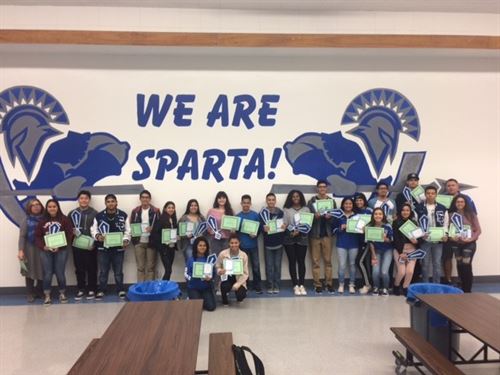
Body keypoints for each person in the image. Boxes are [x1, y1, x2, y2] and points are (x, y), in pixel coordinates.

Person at [91, 194, 131, 300]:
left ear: (116, 202)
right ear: (105, 203)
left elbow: (128, 230)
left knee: (118, 271)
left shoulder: (123, 215)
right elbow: (93, 230)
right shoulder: (98, 216)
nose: (111, 203)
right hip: (103, 248)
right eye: (108, 201)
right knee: (103, 271)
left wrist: (126, 240)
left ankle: (120, 289)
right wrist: (97, 236)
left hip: (118, 248)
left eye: (112, 201)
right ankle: (101, 290)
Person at [35, 199, 73, 306]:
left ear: (58, 207)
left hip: (61, 250)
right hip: (46, 250)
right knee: (47, 274)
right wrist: (44, 246)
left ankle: (62, 293)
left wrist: (61, 246)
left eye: (54, 206)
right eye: (50, 207)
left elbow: (69, 234)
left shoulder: (64, 219)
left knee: (60, 273)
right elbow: (37, 236)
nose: (52, 208)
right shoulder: (42, 221)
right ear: (47, 208)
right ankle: (47, 295)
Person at [443, 178, 478, 284]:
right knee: (448, 258)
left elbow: (473, 216)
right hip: (450, 235)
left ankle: (464, 282)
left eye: (453, 185)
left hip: (466, 237)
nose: (451, 187)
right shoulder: (442, 198)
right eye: (448, 185)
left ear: (458, 187)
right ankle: (449, 280)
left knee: (465, 262)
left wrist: (471, 235)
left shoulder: (466, 198)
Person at [415, 185, 449, 283]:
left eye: (432, 193)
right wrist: (421, 235)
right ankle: (425, 283)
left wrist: (445, 234)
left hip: (438, 240)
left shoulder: (442, 208)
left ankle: (436, 284)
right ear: (425, 195)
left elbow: (445, 224)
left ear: (436, 195)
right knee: (425, 263)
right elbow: (416, 223)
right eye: (428, 193)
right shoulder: (419, 208)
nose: (430, 195)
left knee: (437, 263)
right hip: (425, 239)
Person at [68, 190, 98, 300]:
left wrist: (95, 243)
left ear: (89, 200)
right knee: (79, 268)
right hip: (77, 246)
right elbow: (67, 229)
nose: (83, 200)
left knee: (92, 268)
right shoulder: (72, 213)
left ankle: (92, 289)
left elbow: (98, 230)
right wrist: (72, 232)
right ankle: (81, 289)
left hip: (91, 246)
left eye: (86, 198)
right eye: (81, 198)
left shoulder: (95, 213)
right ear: (78, 200)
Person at [448, 195, 481, 292]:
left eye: (462, 202)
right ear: (455, 203)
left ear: (465, 203)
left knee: (466, 265)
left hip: (469, 244)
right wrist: (451, 237)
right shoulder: (450, 215)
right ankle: (462, 287)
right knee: (460, 265)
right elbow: (449, 230)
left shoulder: (471, 214)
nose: (460, 204)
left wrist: (470, 239)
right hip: (456, 244)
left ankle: (467, 290)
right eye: (458, 202)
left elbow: (478, 230)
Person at [307, 180, 335, 294]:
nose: (322, 189)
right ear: (317, 188)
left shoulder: (331, 201)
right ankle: (317, 284)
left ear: (327, 188)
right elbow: (307, 218)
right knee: (315, 261)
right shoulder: (312, 201)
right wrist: (315, 216)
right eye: (320, 187)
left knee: (328, 261)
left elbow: (335, 218)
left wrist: (330, 217)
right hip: (315, 235)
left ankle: (329, 283)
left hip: (327, 235)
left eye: (324, 187)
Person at [283, 189, 311, 296]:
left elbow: (308, 225)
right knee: (292, 262)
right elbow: (285, 224)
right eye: (293, 197)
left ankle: (302, 285)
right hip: (289, 239)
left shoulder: (306, 209)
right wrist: (291, 232)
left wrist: (299, 231)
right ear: (290, 198)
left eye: (297, 196)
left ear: (301, 198)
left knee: (301, 261)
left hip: (302, 238)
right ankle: (295, 285)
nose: (295, 198)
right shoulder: (286, 209)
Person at [333, 197, 362, 294]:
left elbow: (362, 231)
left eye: (350, 204)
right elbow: (334, 230)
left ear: (353, 205)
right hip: (341, 244)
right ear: (343, 205)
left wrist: (361, 228)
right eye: (346, 203)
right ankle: (341, 284)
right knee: (341, 265)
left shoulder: (357, 216)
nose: (348, 205)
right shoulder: (338, 215)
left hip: (354, 244)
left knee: (352, 265)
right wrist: (341, 228)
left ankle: (351, 284)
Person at [17, 198, 44, 302]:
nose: (36, 206)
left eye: (38, 204)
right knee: (29, 270)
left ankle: (39, 291)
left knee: (42, 270)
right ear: (29, 208)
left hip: (42, 248)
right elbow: (22, 237)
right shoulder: (26, 220)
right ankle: (30, 292)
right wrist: (20, 250)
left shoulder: (45, 220)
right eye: (33, 205)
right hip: (29, 249)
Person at [130, 190, 160, 282]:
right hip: (139, 242)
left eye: (147, 197)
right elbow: (131, 225)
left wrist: (153, 228)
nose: (145, 199)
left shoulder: (156, 211)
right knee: (140, 267)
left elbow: (160, 226)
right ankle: (141, 287)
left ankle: (149, 287)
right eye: (143, 197)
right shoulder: (135, 211)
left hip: (151, 242)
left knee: (151, 268)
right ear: (140, 199)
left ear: (150, 199)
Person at [392, 204, 421, 296]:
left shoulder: (414, 223)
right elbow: (396, 239)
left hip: (412, 250)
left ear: (410, 212)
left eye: (407, 210)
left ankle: (405, 287)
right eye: (403, 210)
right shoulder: (396, 222)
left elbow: (419, 238)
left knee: (410, 271)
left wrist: (416, 241)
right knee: (401, 272)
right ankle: (396, 286)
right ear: (400, 212)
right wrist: (401, 252)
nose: (405, 212)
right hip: (400, 250)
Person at [236, 194, 262, 294]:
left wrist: (255, 235)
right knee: (243, 268)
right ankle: (245, 285)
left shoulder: (255, 215)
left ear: (250, 204)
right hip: (242, 246)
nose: (246, 204)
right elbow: (236, 232)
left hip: (253, 245)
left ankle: (258, 286)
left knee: (256, 266)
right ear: (241, 203)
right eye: (244, 203)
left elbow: (259, 229)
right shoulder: (238, 216)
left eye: (248, 203)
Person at [260, 193, 285, 294]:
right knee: (269, 266)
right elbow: (259, 227)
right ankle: (270, 286)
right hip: (268, 244)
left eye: (272, 200)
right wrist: (263, 228)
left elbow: (284, 224)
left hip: (279, 243)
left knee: (277, 266)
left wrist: (284, 226)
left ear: (275, 201)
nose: (271, 201)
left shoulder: (280, 212)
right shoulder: (262, 213)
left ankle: (277, 285)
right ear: (266, 201)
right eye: (269, 200)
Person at [216, 234, 249, 306]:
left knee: (241, 295)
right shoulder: (223, 254)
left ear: (239, 243)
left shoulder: (243, 255)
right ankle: (225, 301)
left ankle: (239, 297)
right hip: (227, 277)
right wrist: (220, 271)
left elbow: (246, 273)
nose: (234, 245)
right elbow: (217, 266)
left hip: (239, 278)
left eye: (236, 243)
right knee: (224, 286)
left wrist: (238, 284)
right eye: (231, 243)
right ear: (228, 243)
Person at [184, 236, 216, 311]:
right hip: (193, 287)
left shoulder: (209, 260)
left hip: (205, 288)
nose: (202, 247)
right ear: (196, 247)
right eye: (200, 245)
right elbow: (186, 274)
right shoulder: (191, 260)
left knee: (211, 307)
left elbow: (213, 273)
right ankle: (192, 297)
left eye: (204, 245)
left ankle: (201, 298)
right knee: (197, 308)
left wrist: (210, 278)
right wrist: (194, 276)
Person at [367, 208, 394, 296]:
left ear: (383, 216)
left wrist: (385, 239)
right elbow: (370, 242)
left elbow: (392, 240)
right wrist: (373, 255)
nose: (378, 216)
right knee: (375, 272)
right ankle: (376, 287)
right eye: (376, 214)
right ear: (373, 216)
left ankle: (385, 288)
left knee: (384, 272)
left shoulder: (387, 226)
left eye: (380, 214)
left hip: (387, 250)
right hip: (376, 251)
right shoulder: (370, 227)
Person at [152, 201, 179, 281]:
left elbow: (175, 232)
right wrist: (163, 242)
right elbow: (155, 234)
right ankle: (163, 288)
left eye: (173, 208)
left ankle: (166, 287)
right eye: (169, 207)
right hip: (164, 248)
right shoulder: (161, 219)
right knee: (168, 270)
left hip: (172, 247)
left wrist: (177, 236)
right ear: (165, 209)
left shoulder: (173, 219)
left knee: (169, 270)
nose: (171, 209)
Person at [353, 193, 373, 294]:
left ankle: (368, 285)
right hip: (359, 240)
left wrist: (367, 228)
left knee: (359, 262)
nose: (358, 202)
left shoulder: (369, 211)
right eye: (356, 200)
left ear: (364, 200)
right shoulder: (355, 212)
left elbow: (375, 223)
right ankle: (367, 283)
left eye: (360, 200)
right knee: (364, 263)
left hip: (368, 241)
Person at [206, 191, 234, 256]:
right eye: (219, 198)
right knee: (216, 258)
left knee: (226, 259)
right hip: (215, 239)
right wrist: (211, 231)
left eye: (223, 198)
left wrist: (233, 230)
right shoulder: (211, 211)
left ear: (226, 199)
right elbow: (208, 224)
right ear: (217, 199)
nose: (221, 199)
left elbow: (233, 224)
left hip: (227, 239)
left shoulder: (230, 211)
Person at [178, 199, 206, 264]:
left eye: (195, 205)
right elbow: (179, 233)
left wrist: (202, 234)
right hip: (188, 245)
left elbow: (206, 229)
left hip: (200, 245)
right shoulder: (184, 218)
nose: (193, 207)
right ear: (188, 207)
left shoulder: (201, 218)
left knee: (199, 263)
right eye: (191, 205)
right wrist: (186, 235)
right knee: (190, 263)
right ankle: (189, 274)